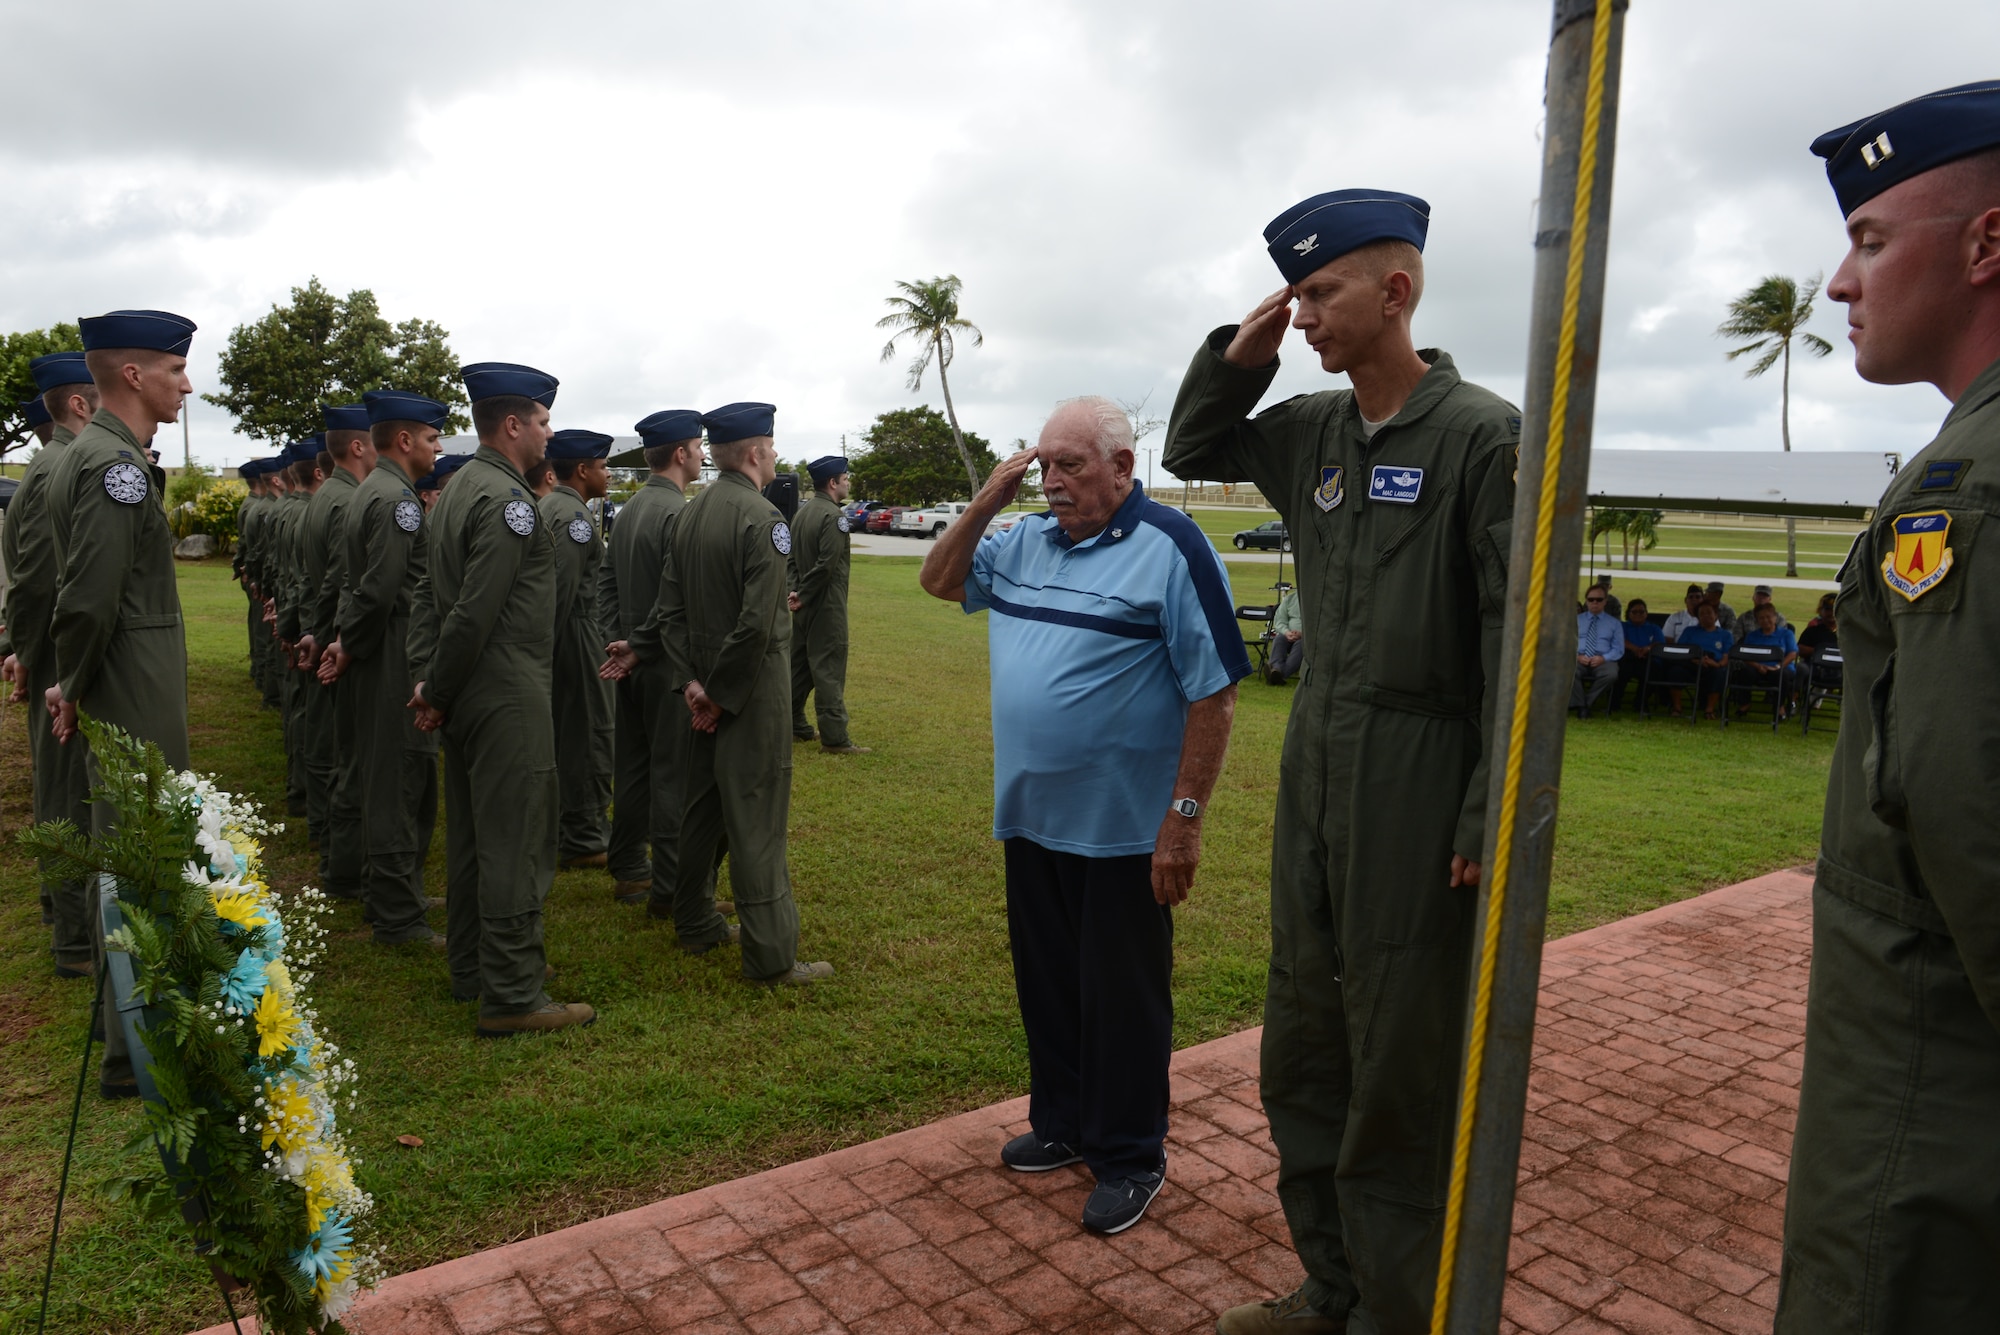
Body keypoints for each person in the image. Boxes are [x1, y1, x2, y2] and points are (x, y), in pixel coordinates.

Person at [1161, 189, 1517, 1334]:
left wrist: (1484, 815)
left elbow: (1519, 649)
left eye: (1317, 292)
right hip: (1318, 764)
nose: (1301, 313)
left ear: (1395, 291)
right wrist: (1238, 354)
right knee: (1304, 1045)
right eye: (1293, 295)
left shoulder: (1482, 436)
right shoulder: (1310, 431)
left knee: (1398, 1061)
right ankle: (1332, 1286)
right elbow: (1193, 445)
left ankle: (1397, 1309)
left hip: (1420, 774)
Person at [1778, 83, 2000, 1330]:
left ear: (1983, 245)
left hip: (1928, 1055)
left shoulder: (1965, 486)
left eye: (1868, 239)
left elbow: (1966, 807)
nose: (1836, 284)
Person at [919, 396, 1244, 1234]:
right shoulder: (1022, 539)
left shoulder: (1172, 547)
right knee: (1051, 984)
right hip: (1031, 818)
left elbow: (1215, 692)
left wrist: (1184, 819)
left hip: (1127, 832)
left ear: (1123, 468)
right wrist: (991, 498)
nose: (1053, 480)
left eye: (1071, 465)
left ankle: (1131, 1153)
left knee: (1122, 999)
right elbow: (940, 578)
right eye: (1044, 464)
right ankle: (1062, 1124)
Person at [607, 402, 830, 986]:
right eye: (773, 447)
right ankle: (772, 955)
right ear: (756, 452)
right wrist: (720, 694)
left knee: (703, 810)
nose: (775, 456)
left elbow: (668, 609)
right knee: (757, 817)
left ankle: (694, 919)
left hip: (701, 691)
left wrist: (692, 682)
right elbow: (757, 625)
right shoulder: (762, 519)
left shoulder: (692, 512)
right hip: (749, 695)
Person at [412, 362, 594, 1037]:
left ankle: (472, 969)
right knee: (516, 840)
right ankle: (514, 989)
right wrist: (439, 685)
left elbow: (433, 605)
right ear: (513, 424)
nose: (550, 432)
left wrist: (433, 685)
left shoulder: (460, 489)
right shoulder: (511, 503)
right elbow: (473, 614)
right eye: (543, 420)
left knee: (471, 839)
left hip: (467, 692)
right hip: (505, 689)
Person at [44, 309, 198, 1099]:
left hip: (125, 679)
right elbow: (87, 599)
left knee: (135, 857)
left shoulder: (107, 455)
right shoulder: (116, 467)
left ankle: (129, 1034)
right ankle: (136, 1052)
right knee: (139, 862)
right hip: (130, 687)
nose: (186, 382)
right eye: (174, 369)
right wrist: (72, 684)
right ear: (133, 375)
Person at [319, 389, 448, 948]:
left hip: (377, 645)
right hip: (393, 647)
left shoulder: (373, 489)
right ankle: (397, 913)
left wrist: (347, 639)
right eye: (432, 437)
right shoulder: (396, 498)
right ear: (405, 440)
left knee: (383, 774)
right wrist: (351, 643)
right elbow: (380, 589)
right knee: (400, 778)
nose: (438, 447)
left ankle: (392, 891)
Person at [0, 352, 97, 979]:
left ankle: (60, 912)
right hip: (58, 657)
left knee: (64, 790)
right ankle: (74, 941)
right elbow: (36, 582)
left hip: (52, 653)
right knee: (68, 796)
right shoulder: (59, 466)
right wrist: (30, 659)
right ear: (81, 406)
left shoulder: (54, 462)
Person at [597, 410, 716, 910]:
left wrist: (618, 643)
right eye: (697, 446)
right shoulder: (677, 512)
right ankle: (669, 889)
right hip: (664, 663)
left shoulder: (629, 511)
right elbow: (675, 600)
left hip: (631, 661)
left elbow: (605, 584)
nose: (703, 455)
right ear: (679, 453)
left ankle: (627, 866)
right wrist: (642, 647)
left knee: (635, 766)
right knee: (674, 777)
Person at [299, 403, 376, 903]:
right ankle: (344, 865)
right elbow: (338, 581)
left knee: (337, 751)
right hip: (341, 642)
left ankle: (336, 854)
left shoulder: (328, 494)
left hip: (327, 634)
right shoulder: (348, 500)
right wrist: (336, 636)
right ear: (357, 446)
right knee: (350, 757)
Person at [540, 427, 616, 871]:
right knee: (590, 733)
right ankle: (585, 835)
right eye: (604, 466)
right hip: (576, 632)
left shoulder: (554, 506)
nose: (607, 474)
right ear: (583, 469)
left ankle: (574, 827)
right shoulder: (573, 517)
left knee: (570, 734)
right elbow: (561, 590)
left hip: (569, 632)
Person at [789, 454, 868, 753]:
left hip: (804, 606)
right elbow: (827, 565)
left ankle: (793, 722)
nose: (848, 484)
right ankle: (835, 737)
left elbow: (791, 559)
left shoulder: (802, 514)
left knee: (800, 668)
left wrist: (794, 592)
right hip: (826, 605)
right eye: (845, 479)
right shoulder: (834, 517)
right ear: (833, 483)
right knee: (828, 669)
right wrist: (805, 594)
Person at [1734, 601, 1798, 717]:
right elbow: (1745, 655)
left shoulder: (1786, 634)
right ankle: (1745, 703)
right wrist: (1758, 666)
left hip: (1780, 667)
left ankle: (1779, 706)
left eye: (1768, 617)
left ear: (1775, 617)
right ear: (1757, 620)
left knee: (1782, 675)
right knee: (1744, 672)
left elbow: (1793, 654)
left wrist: (1777, 667)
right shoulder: (1752, 636)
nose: (1765, 620)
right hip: (1757, 668)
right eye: (1761, 618)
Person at [1673, 600, 1733, 718]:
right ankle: (1677, 707)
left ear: (1716, 615)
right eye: (1702, 614)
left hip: (1714, 665)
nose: (1706, 616)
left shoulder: (1725, 635)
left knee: (1720, 674)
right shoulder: (1689, 631)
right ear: (1698, 617)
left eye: (1709, 613)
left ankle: (1709, 709)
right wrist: (1696, 661)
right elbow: (1682, 651)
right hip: (1692, 663)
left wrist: (1717, 664)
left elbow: (1726, 656)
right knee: (1675, 671)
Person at [1572, 583, 1623, 717]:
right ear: (1586, 601)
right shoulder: (1575, 621)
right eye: (1591, 599)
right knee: (1567, 671)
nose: (1595, 603)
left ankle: (1585, 704)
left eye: (1599, 600)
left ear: (1605, 601)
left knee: (1611, 674)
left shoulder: (1614, 623)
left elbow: (1618, 648)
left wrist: (1603, 658)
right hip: (1579, 657)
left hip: (1603, 659)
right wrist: (1576, 656)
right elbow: (1566, 644)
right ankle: (1582, 705)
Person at [1609, 597, 1662, 712]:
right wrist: (1635, 649)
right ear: (1628, 613)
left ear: (1646, 613)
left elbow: (1659, 643)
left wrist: (1647, 648)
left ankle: (1640, 703)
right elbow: (1618, 640)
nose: (1638, 614)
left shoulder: (1654, 628)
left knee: (1654, 671)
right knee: (1621, 670)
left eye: (1641, 612)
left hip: (1647, 658)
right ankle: (1614, 703)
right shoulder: (1621, 626)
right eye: (1634, 612)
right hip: (1627, 657)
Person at [1267, 584, 1303, 683]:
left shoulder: (1318, 604)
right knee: (1279, 639)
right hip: (1288, 635)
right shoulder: (1290, 599)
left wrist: (1302, 634)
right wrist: (1286, 632)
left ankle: (1278, 673)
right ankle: (1277, 670)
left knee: (1302, 645)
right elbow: (1280, 620)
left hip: (1306, 638)